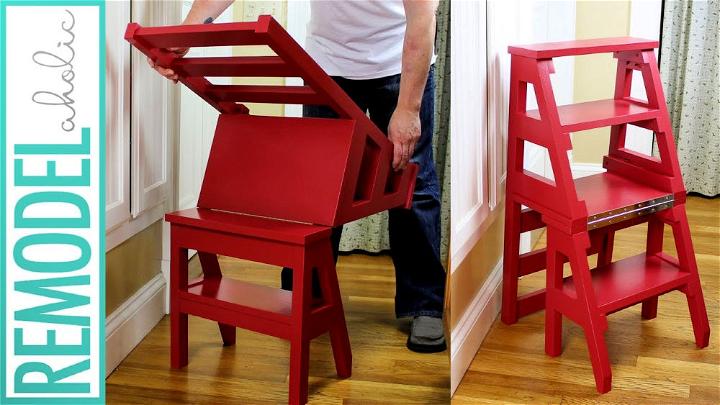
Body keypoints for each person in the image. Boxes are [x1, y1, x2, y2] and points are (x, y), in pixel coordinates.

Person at [149, 0, 446, 353]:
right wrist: (189, 31)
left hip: (399, 65)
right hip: (328, 67)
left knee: (414, 182)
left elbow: (423, 18)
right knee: (319, 189)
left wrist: (408, 109)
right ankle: (306, 295)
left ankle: (424, 304)